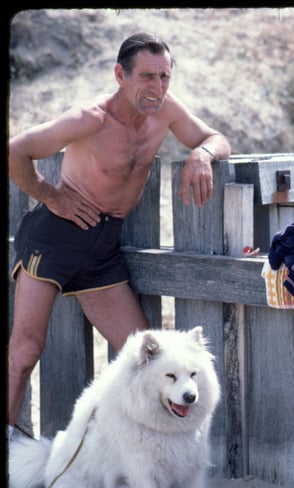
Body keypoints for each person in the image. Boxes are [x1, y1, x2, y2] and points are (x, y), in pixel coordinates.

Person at [7, 32, 232, 440]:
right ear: (120, 75)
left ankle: (137, 449)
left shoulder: (165, 111)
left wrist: (201, 154)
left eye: (164, 76)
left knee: (144, 359)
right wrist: (53, 197)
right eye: (147, 76)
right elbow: (14, 151)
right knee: (25, 350)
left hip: (103, 248)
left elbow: (216, 138)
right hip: (56, 236)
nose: (158, 87)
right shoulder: (89, 118)